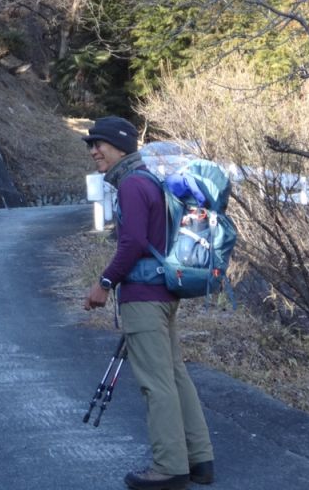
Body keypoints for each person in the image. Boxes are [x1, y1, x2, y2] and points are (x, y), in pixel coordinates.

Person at [82, 116, 215, 490]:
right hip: (165, 293)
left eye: (100, 143)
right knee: (174, 376)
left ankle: (169, 467)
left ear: (121, 146)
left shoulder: (131, 185)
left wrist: (104, 283)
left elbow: (133, 243)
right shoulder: (151, 181)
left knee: (156, 384)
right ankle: (199, 459)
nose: (94, 151)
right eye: (91, 144)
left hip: (143, 297)